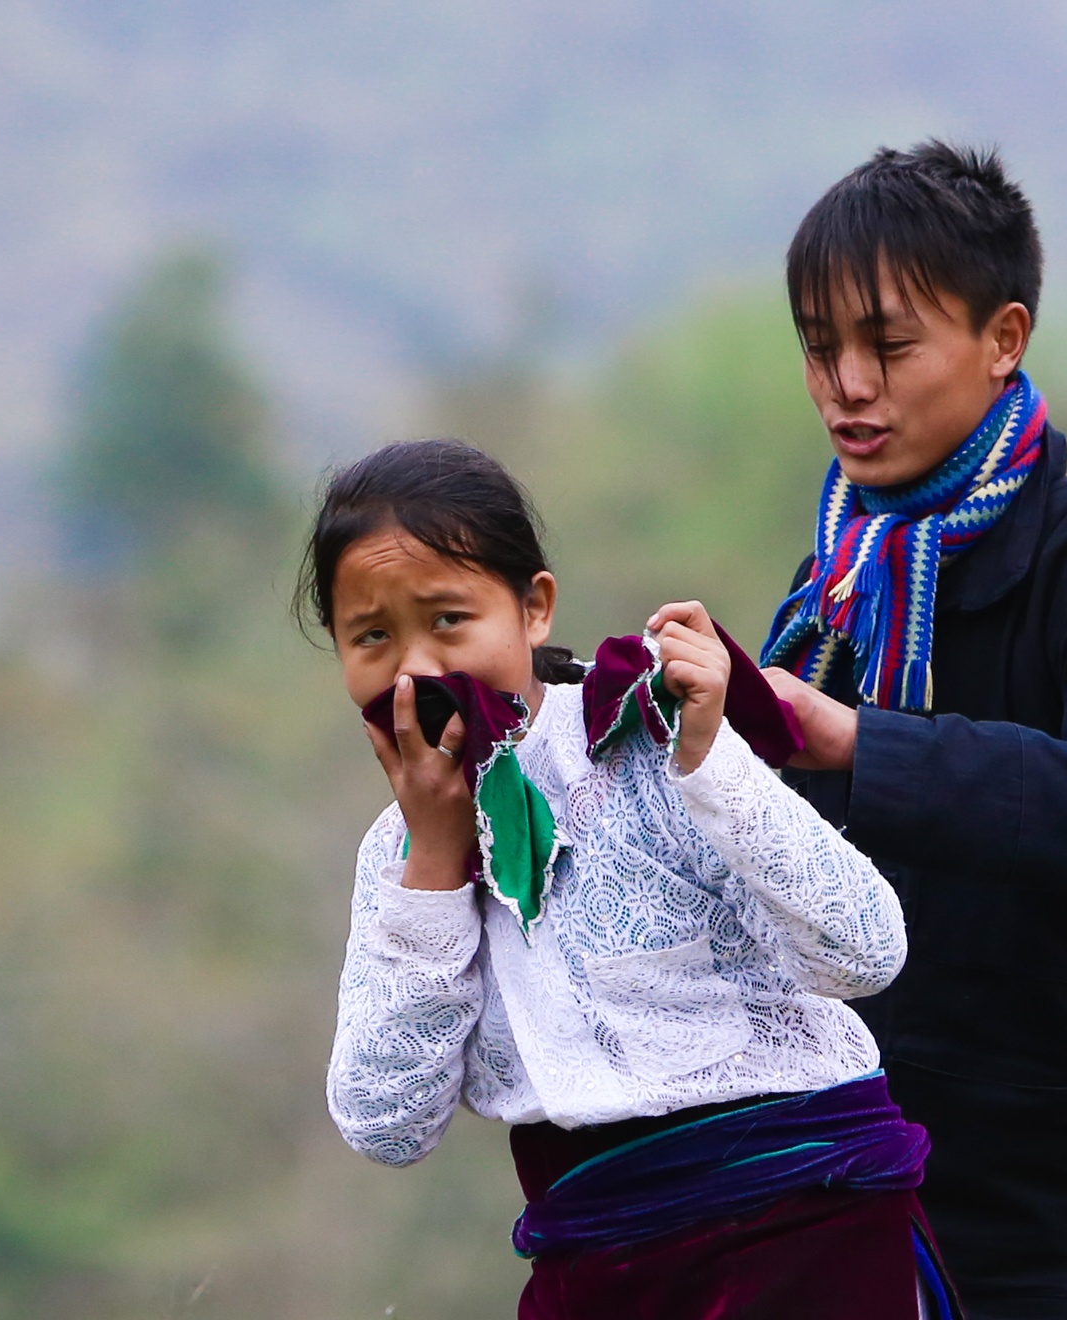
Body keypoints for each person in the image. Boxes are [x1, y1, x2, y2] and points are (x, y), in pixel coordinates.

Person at [304, 439, 964, 1319]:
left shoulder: (652, 740)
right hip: (599, 1262)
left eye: (449, 620)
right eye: (373, 636)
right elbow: (386, 1122)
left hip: (808, 1231)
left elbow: (867, 952)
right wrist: (431, 864)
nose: (416, 668)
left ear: (534, 608)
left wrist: (710, 763)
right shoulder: (400, 855)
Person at [761, 142, 1067, 1320]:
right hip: (838, 1207)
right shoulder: (829, 596)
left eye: (889, 344)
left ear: (1004, 337)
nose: (847, 386)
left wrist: (862, 746)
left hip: (1055, 1240)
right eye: (822, 349)